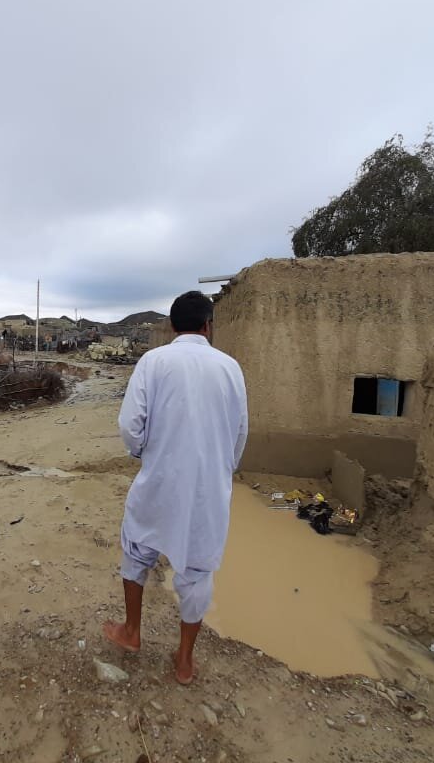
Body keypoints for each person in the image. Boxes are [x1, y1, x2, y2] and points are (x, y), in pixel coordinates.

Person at [102, 291, 248, 685]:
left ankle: (131, 632)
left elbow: (129, 426)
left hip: (160, 479)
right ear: (208, 325)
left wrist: (142, 453)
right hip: (207, 491)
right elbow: (240, 432)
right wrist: (221, 469)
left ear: (171, 326)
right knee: (197, 570)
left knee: (137, 548)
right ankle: (184, 660)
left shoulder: (154, 361)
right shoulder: (231, 368)